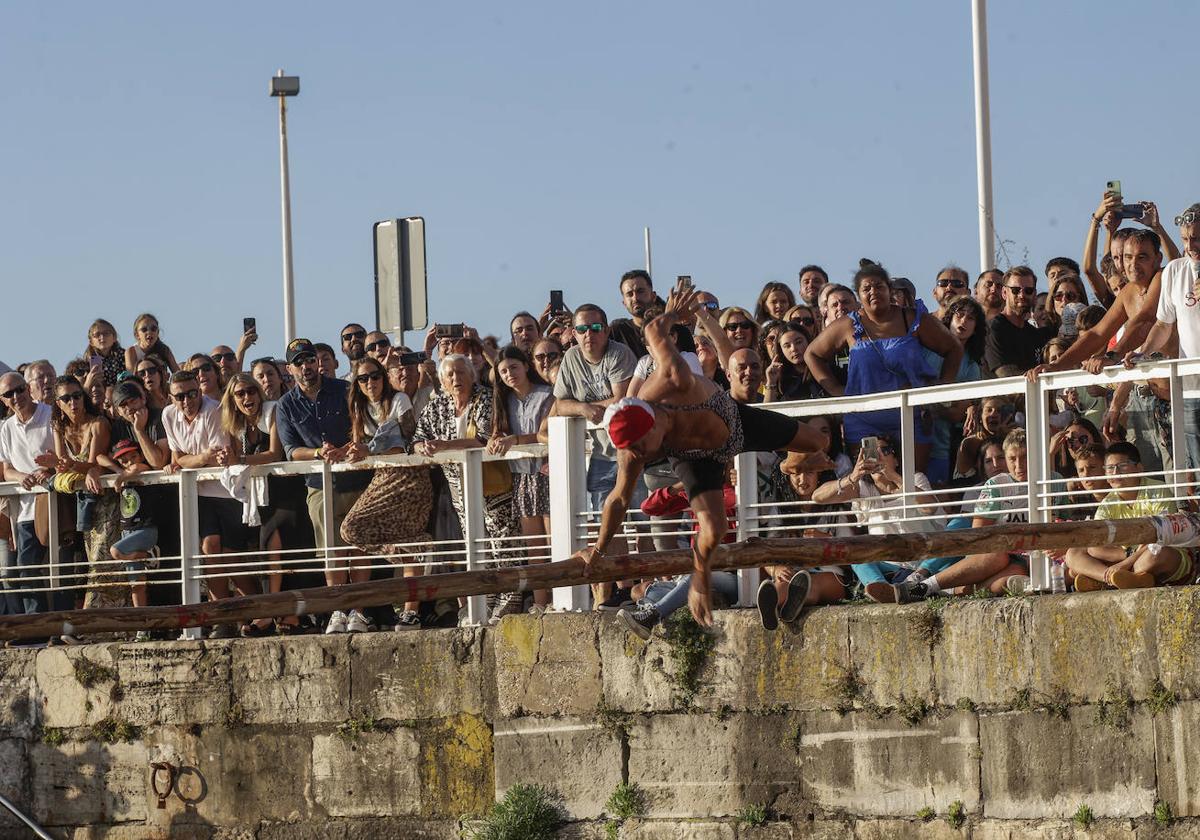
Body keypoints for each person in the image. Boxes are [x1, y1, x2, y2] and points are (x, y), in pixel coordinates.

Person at [571, 280, 830, 625]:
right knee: (714, 525)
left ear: (654, 423)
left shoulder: (675, 376)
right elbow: (618, 499)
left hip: (732, 422)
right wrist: (600, 552)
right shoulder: (632, 451)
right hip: (694, 455)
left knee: (818, 443)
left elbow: (653, 330)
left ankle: (786, 464)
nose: (642, 455)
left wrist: (672, 315)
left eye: (643, 447)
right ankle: (698, 580)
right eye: (635, 451)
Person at [805, 261, 962, 469]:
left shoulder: (913, 319)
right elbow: (812, 354)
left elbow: (954, 348)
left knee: (911, 483)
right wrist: (836, 390)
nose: (873, 292)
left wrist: (944, 386)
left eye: (879, 286)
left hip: (911, 416)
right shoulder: (848, 325)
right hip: (864, 420)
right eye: (866, 288)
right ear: (858, 296)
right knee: (872, 482)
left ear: (889, 289)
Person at [414, 354, 522, 624]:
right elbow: (417, 437)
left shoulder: (485, 398)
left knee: (503, 543)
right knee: (474, 544)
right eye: (450, 375)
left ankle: (509, 600)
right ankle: (482, 601)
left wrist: (442, 446)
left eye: (461, 373)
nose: (456, 379)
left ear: (472, 375)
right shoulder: (438, 404)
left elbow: (483, 438)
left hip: (493, 483)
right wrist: (422, 447)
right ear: (442, 380)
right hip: (458, 487)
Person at [274, 338, 371, 633]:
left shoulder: (344, 390)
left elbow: (362, 426)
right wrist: (319, 452)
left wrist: (349, 447)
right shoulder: (285, 405)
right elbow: (291, 450)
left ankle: (359, 611)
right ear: (290, 369)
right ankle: (338, 610)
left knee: (359, 546)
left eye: (309, 359)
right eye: (299, 362)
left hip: (355, 477)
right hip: (318, 483)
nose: (306, 366)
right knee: (332, 549)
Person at [338, 356, 432, 631]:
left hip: (410, 477)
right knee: (353, 530)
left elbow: (404, 441)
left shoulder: (399, 399)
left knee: (364, 530)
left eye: (375, 376)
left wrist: (367, 449)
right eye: (363, 378)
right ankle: (416, 555)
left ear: (383, 377)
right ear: (356, 383)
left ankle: (410, 612)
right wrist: (345, 451)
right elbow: (361, 446)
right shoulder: (358, 408)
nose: (370, 383)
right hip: (383, 478)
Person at [162, 369, 251, 637]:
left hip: (229, 490)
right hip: (198, 494)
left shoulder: (215, 410)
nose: (187, 400)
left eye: (192, 393)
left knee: (233, 557)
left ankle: (256, 614)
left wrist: (192, 459)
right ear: (171, 397)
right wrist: (194, 459)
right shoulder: (168, 415)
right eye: (180, 396)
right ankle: (222, 617)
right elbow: (178, 457)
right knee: (210, 548)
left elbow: (211, 457)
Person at [812, 437, 942, 603]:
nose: (878, 456)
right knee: (855, 552)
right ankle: (882, 589)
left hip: (925, 561)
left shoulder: (915, 479)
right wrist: (853, 476)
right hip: (889, 567)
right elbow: (818, 496)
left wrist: (893, 476)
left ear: (895, 459)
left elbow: (930, 508)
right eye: (872, 452)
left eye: (885, 451)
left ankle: (904, 585)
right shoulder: (863, 489)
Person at [1065, 442, 1189, 591]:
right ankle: (1116, 578)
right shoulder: (1108, 502)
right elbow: (1095, 543)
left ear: (1139, 468)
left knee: (1155, 554)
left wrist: (1125, 563)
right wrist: (1125, 557)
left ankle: (1107, 580)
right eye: (1110, 468)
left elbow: (1162, 537)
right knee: (1073, 553)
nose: (1115, 473)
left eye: (1122, 466)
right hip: (1125, 558)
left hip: (1155, 555)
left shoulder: (1158, 491)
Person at [489, 345, 555, 613]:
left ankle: (561, 599)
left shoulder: (547, 395)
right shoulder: (503, 402)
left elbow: (544, 433)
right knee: (535, 548)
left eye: (513, 367)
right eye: (503, 371)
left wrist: (514, 440)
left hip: (547, 473)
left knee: (555, 542)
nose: (509, 374)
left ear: (526, 366)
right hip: (521, 477)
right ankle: (540, 602)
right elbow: (496, 435)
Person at [0, 371, 58, 617]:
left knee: (61, 566)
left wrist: (49, 467)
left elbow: (65, 456)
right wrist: (21, 477)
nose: (16, 396)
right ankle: (36, 627)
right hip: (24, 509)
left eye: (20, 389)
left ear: (28, 388)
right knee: (26, 569)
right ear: (2, 400)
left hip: (55, 502)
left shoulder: (50, 413)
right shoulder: (6, 428)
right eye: (8, 394)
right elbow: (7, 470)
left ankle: (59, 626)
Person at [107, 439, 161, 634]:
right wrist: (117, 471)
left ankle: (149, 556)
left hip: (145, 529)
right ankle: (142, 628)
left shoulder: (141, 471)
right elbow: (100, 459)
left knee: (115, 551)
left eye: (133, 456)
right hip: (127, 529)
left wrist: (121, 477)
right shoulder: (123, 473)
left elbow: (139, 466)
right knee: (136, 584)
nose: (129, 462)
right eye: (124, 460)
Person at [983, 266, 1056, 376]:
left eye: (1028, 290)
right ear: (1004, 293)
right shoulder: (993, 329)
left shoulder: (1035, 334)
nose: (1022, 295)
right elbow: (1005, 375)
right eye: (1015, 290)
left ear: (1035, 295)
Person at [764, 321, 818, 402]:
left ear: (808, 341)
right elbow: (767, 412)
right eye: (787, 346)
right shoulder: (780, 377)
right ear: (781, 350)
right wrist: (771, 381)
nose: (793, 349)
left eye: (799, 342)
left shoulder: (823, 367)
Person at [84, 319, 125, 391]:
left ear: (114, 337)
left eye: (106, 333)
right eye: (97, 335)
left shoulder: (124, 355)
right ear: (91, 341)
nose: (102, 337)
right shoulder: (87, 362)